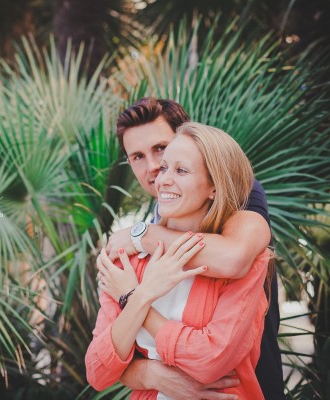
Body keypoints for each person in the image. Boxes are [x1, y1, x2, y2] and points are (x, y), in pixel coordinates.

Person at [103, 98, 284, 399]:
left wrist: (141, 239)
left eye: (160, 148)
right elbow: (107, 363)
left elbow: (233, 258)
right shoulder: (156, 223)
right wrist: (152, 374)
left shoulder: (240, 194)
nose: (152, 167)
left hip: (246, 385)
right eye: (137, 156)